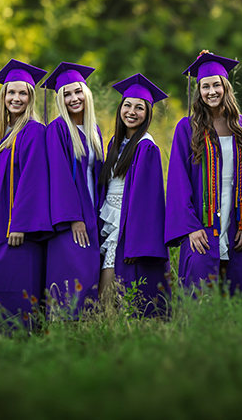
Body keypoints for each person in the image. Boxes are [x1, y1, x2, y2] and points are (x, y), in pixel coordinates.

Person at [165, 51, 242, 295]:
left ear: (226, 87)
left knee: (236, 295)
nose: (212, 91)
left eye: (217, 85)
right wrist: (190, 228)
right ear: (199, 91)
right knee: (199, 292)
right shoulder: (188, 127)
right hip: (202, 224)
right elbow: (178, 181)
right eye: (205, 86)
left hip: (236, 220)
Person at [0, 59, 52, 329]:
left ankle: (13, 344)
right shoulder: (0, 135)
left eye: (23, 93)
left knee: (13, 286)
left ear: (31, 97)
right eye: (11, 92)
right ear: (3, 96)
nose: (16, 98)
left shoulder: (33, 130)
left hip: (16, 231)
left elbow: (33, 180)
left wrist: (19, 224)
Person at [98, 74, 170, 317]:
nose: (132, 111)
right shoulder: (116, 144)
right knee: (106, 294)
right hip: (110, 221)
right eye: (127, 105)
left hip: (127, 226)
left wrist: (133, 242)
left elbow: (148, 202)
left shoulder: (146, 147)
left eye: (139, 108)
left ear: (147, 114)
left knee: (114, 290)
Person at [43, 62, 104, 314]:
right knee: (69, 274)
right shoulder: (57, 129)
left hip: (92, 213)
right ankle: (63, 329)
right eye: (66, 94)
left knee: (89, 274)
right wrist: (73, 218)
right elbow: (58, 177)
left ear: (86, 93)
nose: (73, 98)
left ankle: (85, 333)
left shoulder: (94, 130)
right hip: (69, 218)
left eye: (77, 91)